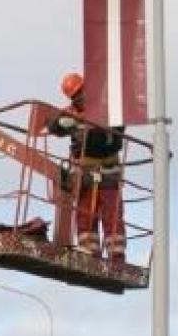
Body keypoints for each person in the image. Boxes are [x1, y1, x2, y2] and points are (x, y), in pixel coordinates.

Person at [49, 72, 126, 263]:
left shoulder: (106, 108)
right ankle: (90, 254)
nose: (80, 97)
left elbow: (119, 129)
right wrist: (62, 122)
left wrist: (98, 122)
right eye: (76, 96)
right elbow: (53, 126)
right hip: (85, 173)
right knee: (85, 214)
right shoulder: (72, 112)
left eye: (81, 92)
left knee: (112, 213)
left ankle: (116, 255)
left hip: (108, 170)